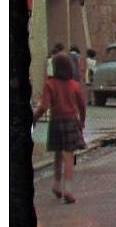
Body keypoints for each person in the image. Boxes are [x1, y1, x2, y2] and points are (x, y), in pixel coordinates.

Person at [32, 52, 86, 203]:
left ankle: (56, 185)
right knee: (68, 155)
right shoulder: (74, 85)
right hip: (70, 121)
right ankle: (68, 189)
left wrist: (34, 118)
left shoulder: (49, 84)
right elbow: (82, 106)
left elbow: (44, 106)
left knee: (57, 154)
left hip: (56, 122)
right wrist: (82, 121)